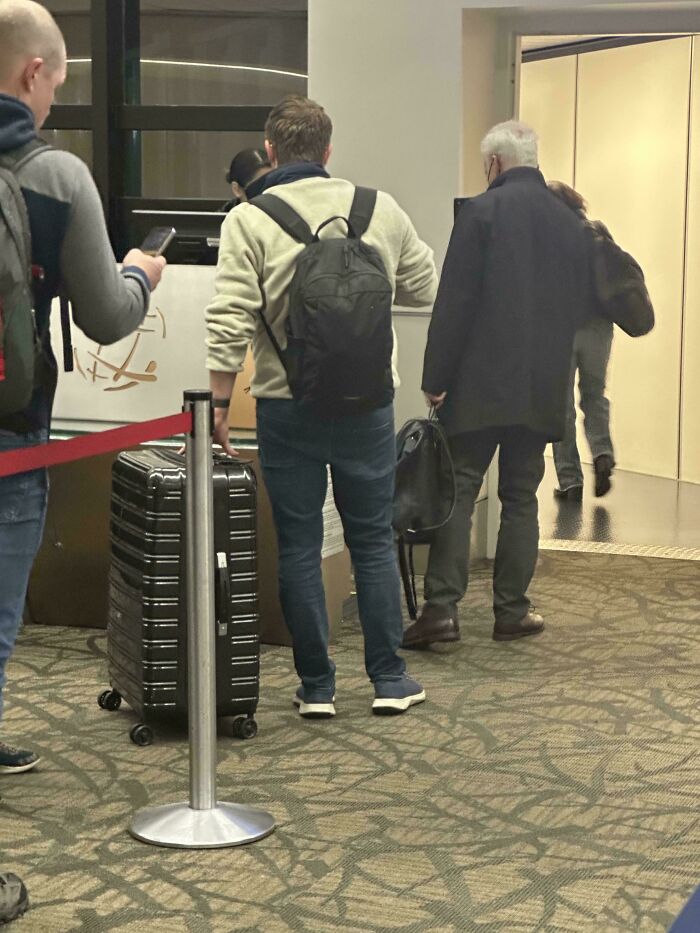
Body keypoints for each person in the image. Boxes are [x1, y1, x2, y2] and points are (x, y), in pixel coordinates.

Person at [207, 94, 438, 717]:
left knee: (301, 544)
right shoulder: (378, 208)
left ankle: (316, 688)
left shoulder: (249, 220)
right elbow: (424, 284)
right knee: (371, 540)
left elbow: (229, 317)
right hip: (369, 406)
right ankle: (390, 680)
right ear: (328, 152)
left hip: (287, 406)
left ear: (272, 152)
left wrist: (220, 402)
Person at [0, 0, 165, 782]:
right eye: (56, 86)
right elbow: (105, 315)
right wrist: (142, 273)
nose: (53, 101)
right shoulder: (55, 175)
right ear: (34, 71)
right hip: (9, 432)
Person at [402, 120, 593, 651]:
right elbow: (577, 307)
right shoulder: (570, 223)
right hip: (542, 384)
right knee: (521, 498)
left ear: (494, 163)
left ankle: (441, 612)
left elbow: (456, 301)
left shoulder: (480, 212)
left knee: (459, 490)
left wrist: (436, 378)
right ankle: (511, 610)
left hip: (480, 384)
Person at [549, 181, 616, 501]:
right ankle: (603, 453)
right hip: (600, 328)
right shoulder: (597, 231)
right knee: (594, 396)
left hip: (561, 330)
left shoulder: (549, 238)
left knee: (560, 407)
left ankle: (570, 481)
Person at [219, 147, 271, 212]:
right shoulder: (223, 221)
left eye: (274, 184)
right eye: (259, 187)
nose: (268, 193)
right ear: (236, 189)